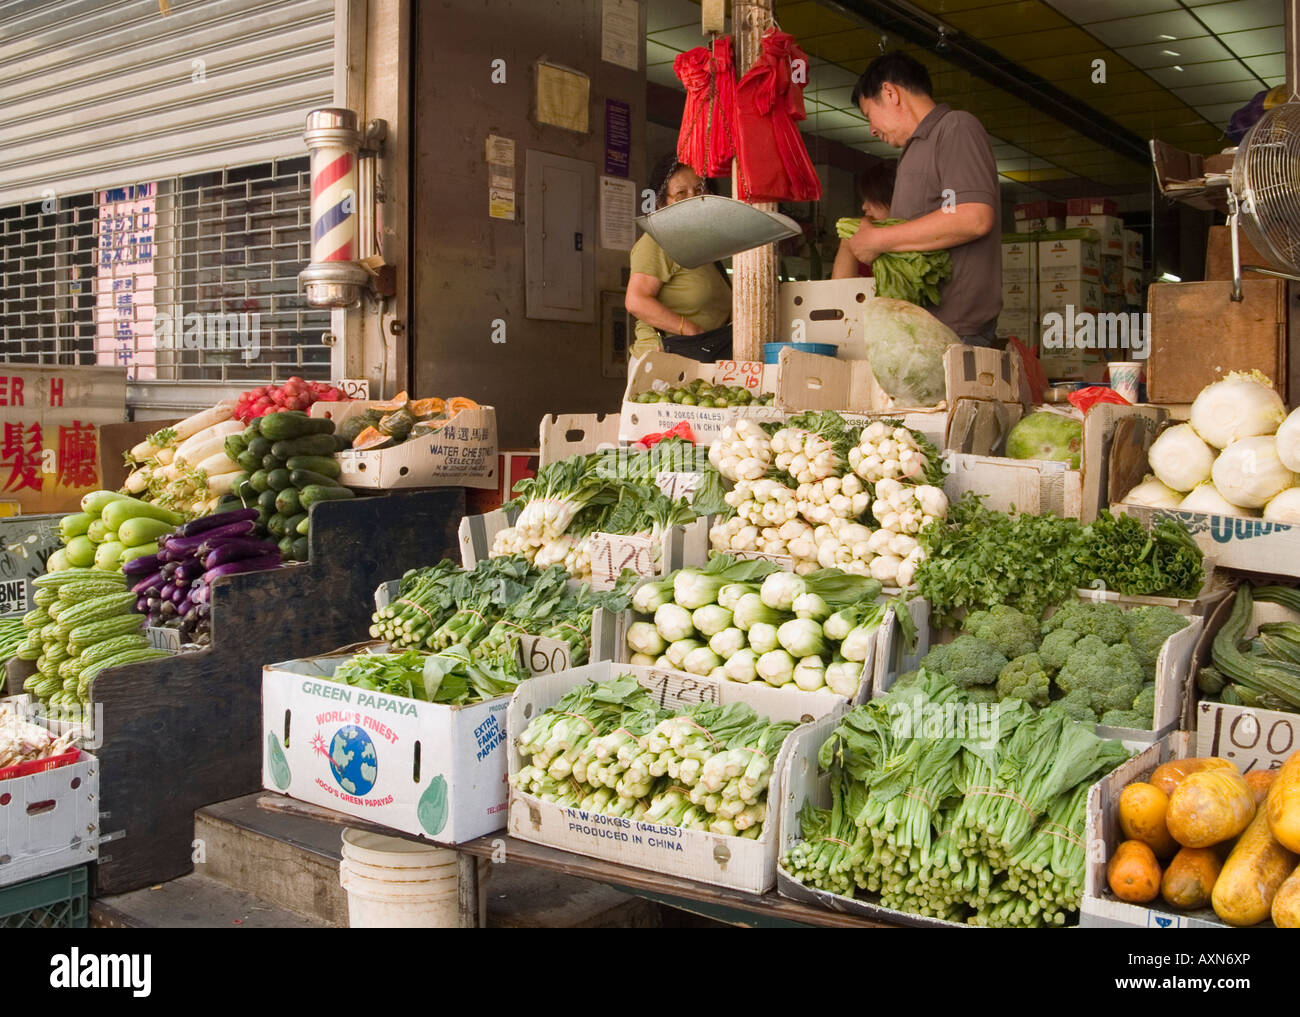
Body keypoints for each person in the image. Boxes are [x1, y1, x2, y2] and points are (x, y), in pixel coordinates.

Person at [845, 51, 1003, 348]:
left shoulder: (955, 127)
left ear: (889, 93)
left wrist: (879, 240)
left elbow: (973, 216)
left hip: (956, 334)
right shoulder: (913, 152)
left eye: (869, 114)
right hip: (924, 331)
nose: (872, 129)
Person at [625, 155, 732, 359]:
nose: (693, 199)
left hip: (702, 360)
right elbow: (636, 301)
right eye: (681, 194)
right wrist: (692, 331)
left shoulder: (710, 246)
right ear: (662, 202)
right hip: (664, 363)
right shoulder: (657, 242)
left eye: (699, 190)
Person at [831, 159, 897, 280]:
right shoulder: (861, 245)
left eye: (872, 199)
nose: (864, 206)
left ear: (894, 198)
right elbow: (840, 289)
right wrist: (847, 241)